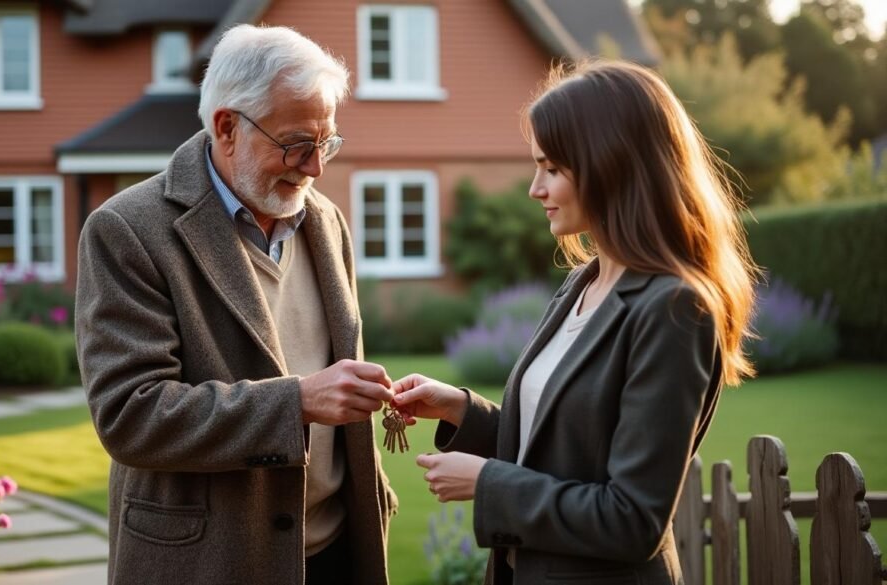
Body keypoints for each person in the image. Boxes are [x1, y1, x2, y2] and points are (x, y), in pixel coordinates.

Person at [391, 60, 758, 584]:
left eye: (553, 169)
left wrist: (490, 484)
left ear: (613, 165)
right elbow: (564, 449)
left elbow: (633, 518)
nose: (535, 188)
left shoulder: (674, 308)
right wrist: (460, 411)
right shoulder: (583, 282)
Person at [75, 24, 397, 585]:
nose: (316, 166)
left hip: (334, 552)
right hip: (209, 564)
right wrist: (296, 401)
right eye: (298, 144)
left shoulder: (327, 221)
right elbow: (131, 415)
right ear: (227, 127)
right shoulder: (126, 229)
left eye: (327, 143)